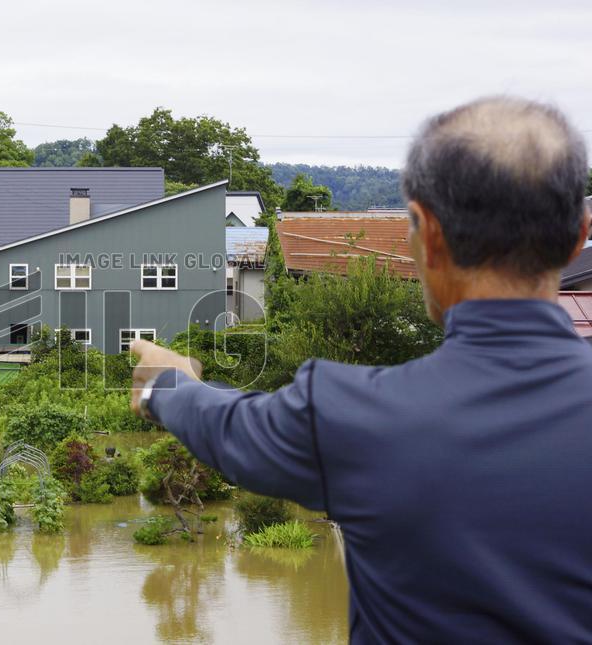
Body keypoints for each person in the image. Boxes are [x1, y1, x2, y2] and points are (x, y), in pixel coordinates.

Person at [129, 96, 592, 643]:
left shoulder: (354, 415)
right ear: (580, 234)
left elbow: (231, 427)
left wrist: (168, 382)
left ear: (427, 232)